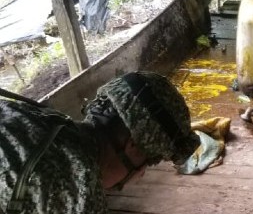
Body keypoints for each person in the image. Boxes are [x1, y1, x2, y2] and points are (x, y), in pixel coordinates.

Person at [0, 71, 200, 214]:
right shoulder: (78, 188)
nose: (141, 175)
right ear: (132, 145)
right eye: (147, 163)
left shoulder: (42, 118)